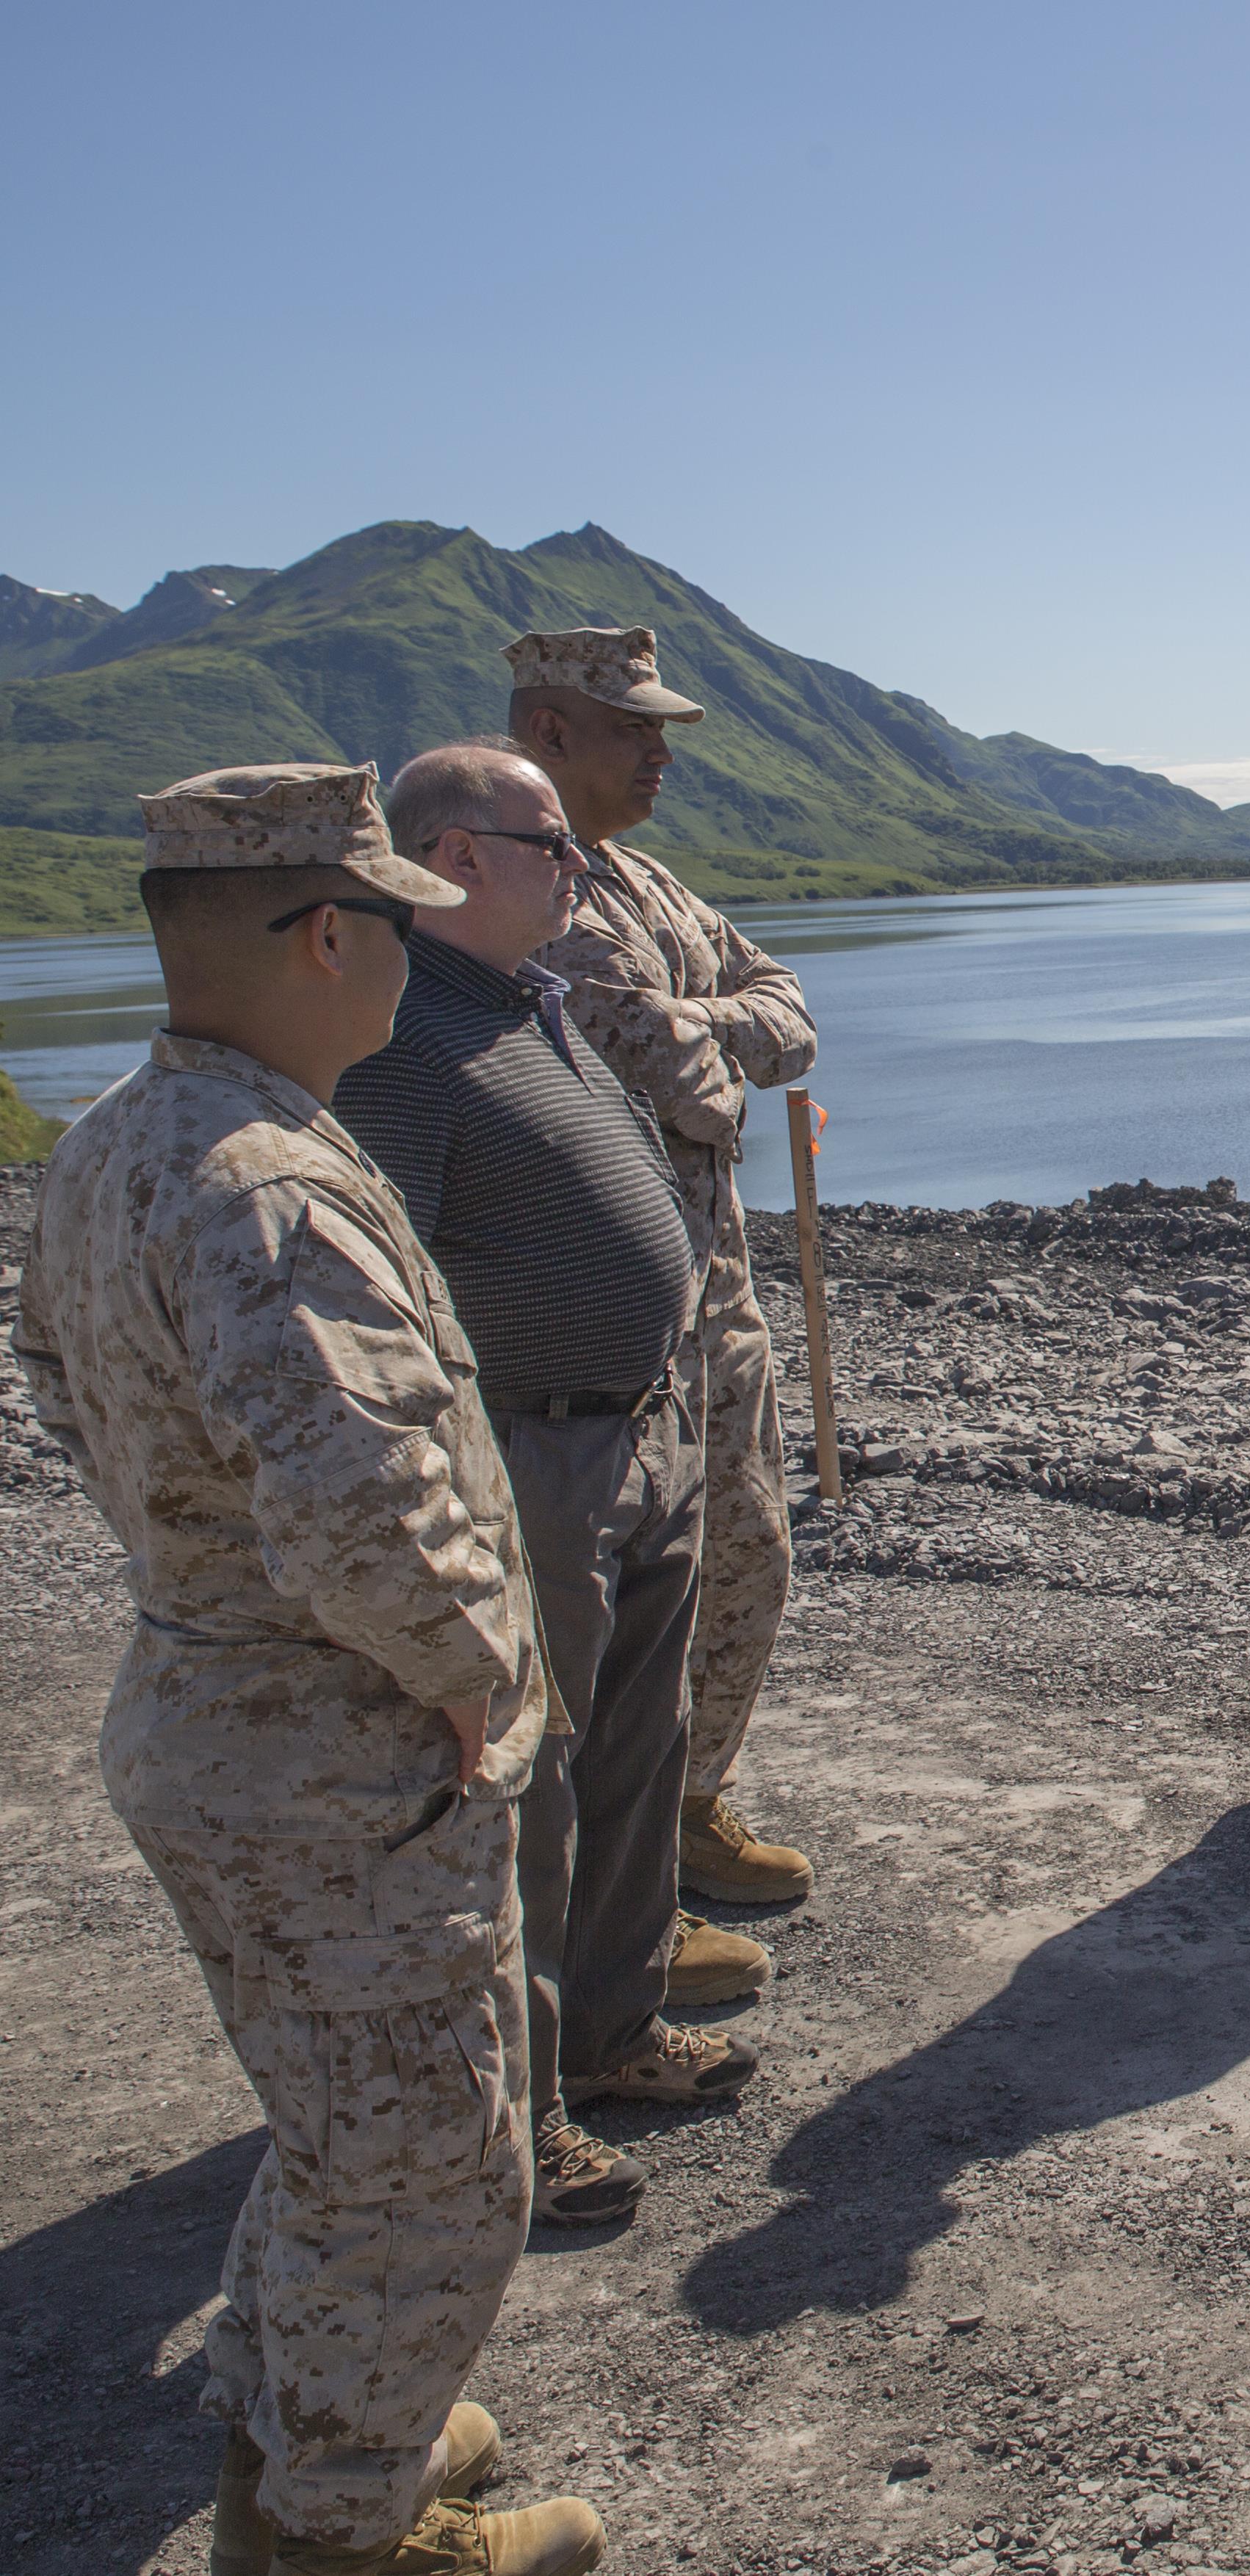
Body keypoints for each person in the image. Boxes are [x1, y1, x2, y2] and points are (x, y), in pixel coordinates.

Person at [10, 761, 605, 2575]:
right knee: (429, 2166)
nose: (418, 962)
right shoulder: (264, 1178)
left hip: (216, 1707)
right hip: (335, 1752)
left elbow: (64, 1397)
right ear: (327, 934)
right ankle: (345, 2529)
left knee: (333, 2125)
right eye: (400, 927)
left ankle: (321, 2430)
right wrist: (469, 1675)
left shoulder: (122, 1134)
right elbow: (363, 1499)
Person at [335, 740, 754, 2231]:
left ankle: (615, 2028)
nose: (577, 870)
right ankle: (521, 2108)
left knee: (638, 1749)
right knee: (531, 1780)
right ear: (454, 857)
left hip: (635, 1430)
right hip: (532, 1447)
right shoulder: (399, 1034)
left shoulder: (533, 1003)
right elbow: (389, 1287)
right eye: (548, 844)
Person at [514, 628, 825, 1948]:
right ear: (544, 730)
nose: (655, 750)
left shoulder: (650, 882)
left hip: (721, 1296)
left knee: (747, 1551)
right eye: (626, 725)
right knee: (614, 1602)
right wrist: (709, 1036)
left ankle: (694, 1803)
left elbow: (787, 1012)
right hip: (601, 1318)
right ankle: (609, 1885)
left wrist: (704, 1021)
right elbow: (669, 1078)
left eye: (662, 729)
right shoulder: (528, 898)